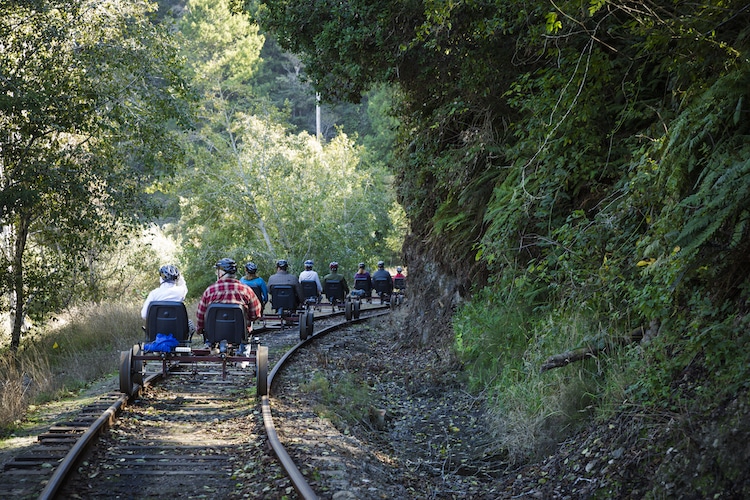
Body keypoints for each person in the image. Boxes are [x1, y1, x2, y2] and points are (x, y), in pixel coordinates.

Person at [195, 258, 262, 343]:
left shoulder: (209, 291)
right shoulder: (246, 290)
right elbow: (256, 314)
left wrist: (200, 330)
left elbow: (200, 316)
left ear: (221, 272)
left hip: (213, 335)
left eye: (217, 270)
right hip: (240, 334)